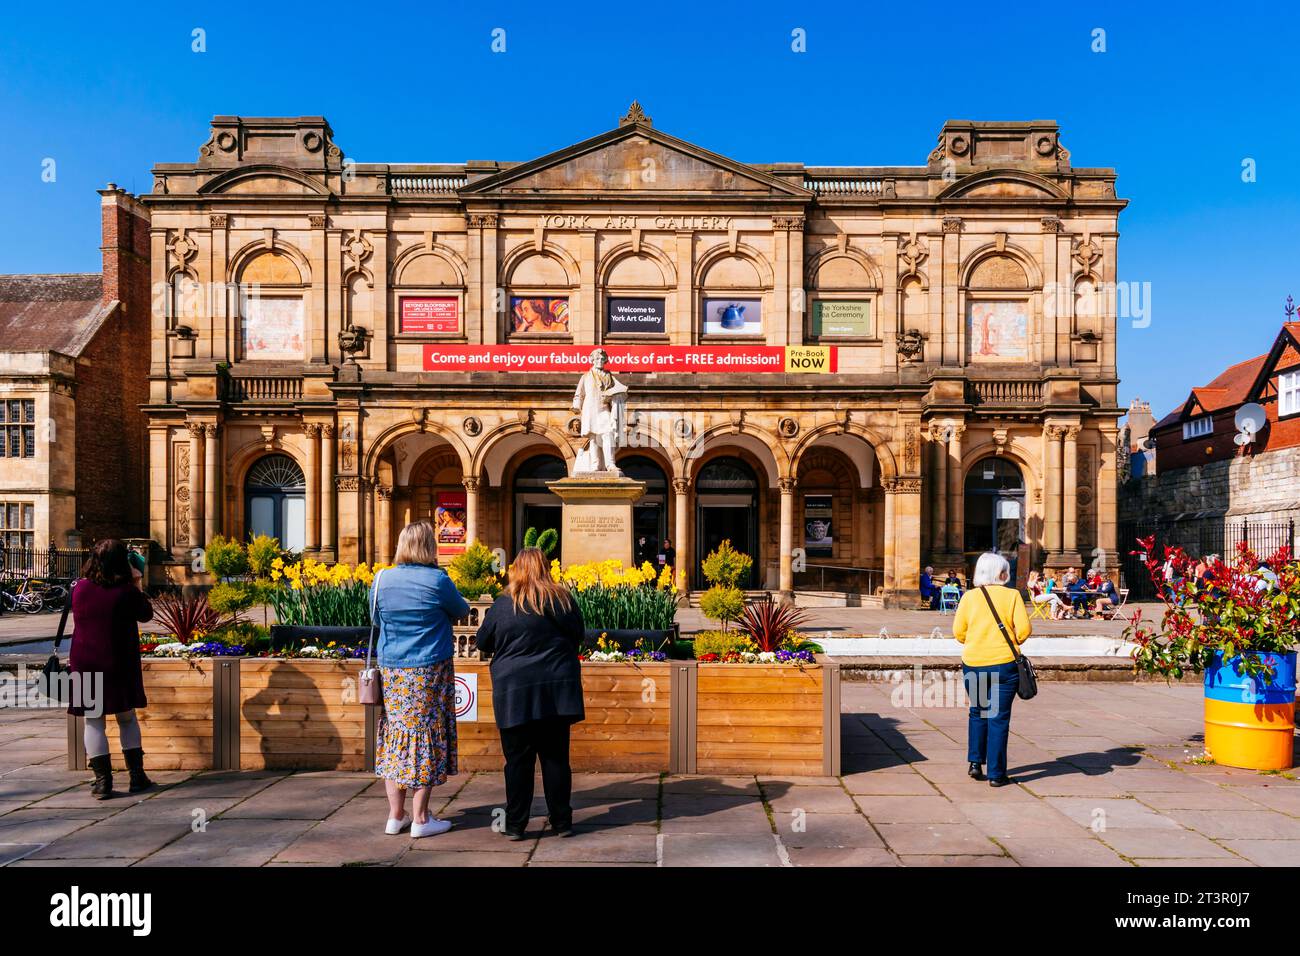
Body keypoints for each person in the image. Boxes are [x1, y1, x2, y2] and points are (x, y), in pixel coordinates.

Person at [475, 547, 586, 840]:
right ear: (547, 568)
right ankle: (562, 822)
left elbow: (483, 641)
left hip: (515, 691)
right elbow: (579, 636)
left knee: (517, 761)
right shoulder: (562, 600)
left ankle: (515, 825)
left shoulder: (503, 604)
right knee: (556, 759)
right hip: (556, 691)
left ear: (517, 569)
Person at [371, 520, 470, 839]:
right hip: (428, 669)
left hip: (393, 670)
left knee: (395, 737)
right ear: (430, 547)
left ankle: (394, 816)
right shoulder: (438, 580)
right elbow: (462, 610)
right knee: (426, 735)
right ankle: (421, 819)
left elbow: (374, 617)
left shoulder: (382, 578)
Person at [67, 539, 155, 800]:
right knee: (126, 718)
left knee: (93, 721)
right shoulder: (125, 591)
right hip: (118, 663)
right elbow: (146, 613)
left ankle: (103, 782)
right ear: (122, 562)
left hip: (85, 662)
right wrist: (137, 581)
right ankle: (137, 777)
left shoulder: (79, 588)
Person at [953, 552, 1031, 787]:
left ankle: (975, 763)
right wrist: (1013, 640)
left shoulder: (969, 597)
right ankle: (997, 775)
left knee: (978, 712)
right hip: (1003, 665)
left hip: (974, 664)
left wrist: (977, 641)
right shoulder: (1012, 596)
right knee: (998, 719)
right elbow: (1024, 630)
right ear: (1001, 573)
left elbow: (958, 632)